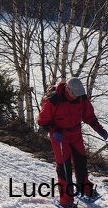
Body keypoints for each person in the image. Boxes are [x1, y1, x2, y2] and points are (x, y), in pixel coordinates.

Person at [37, 77, 107, 208]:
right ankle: (66, 199)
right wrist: (53, 131)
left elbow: (89, 116)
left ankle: (85, 189)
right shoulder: (53, 100)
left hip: (76, 134)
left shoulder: (81, 97)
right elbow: (42, 121)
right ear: (67, 89)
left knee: (81, 162)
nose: (76, 97)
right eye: (74, 94)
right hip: (60, 137)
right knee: (64, 168)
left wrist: (99, 129)